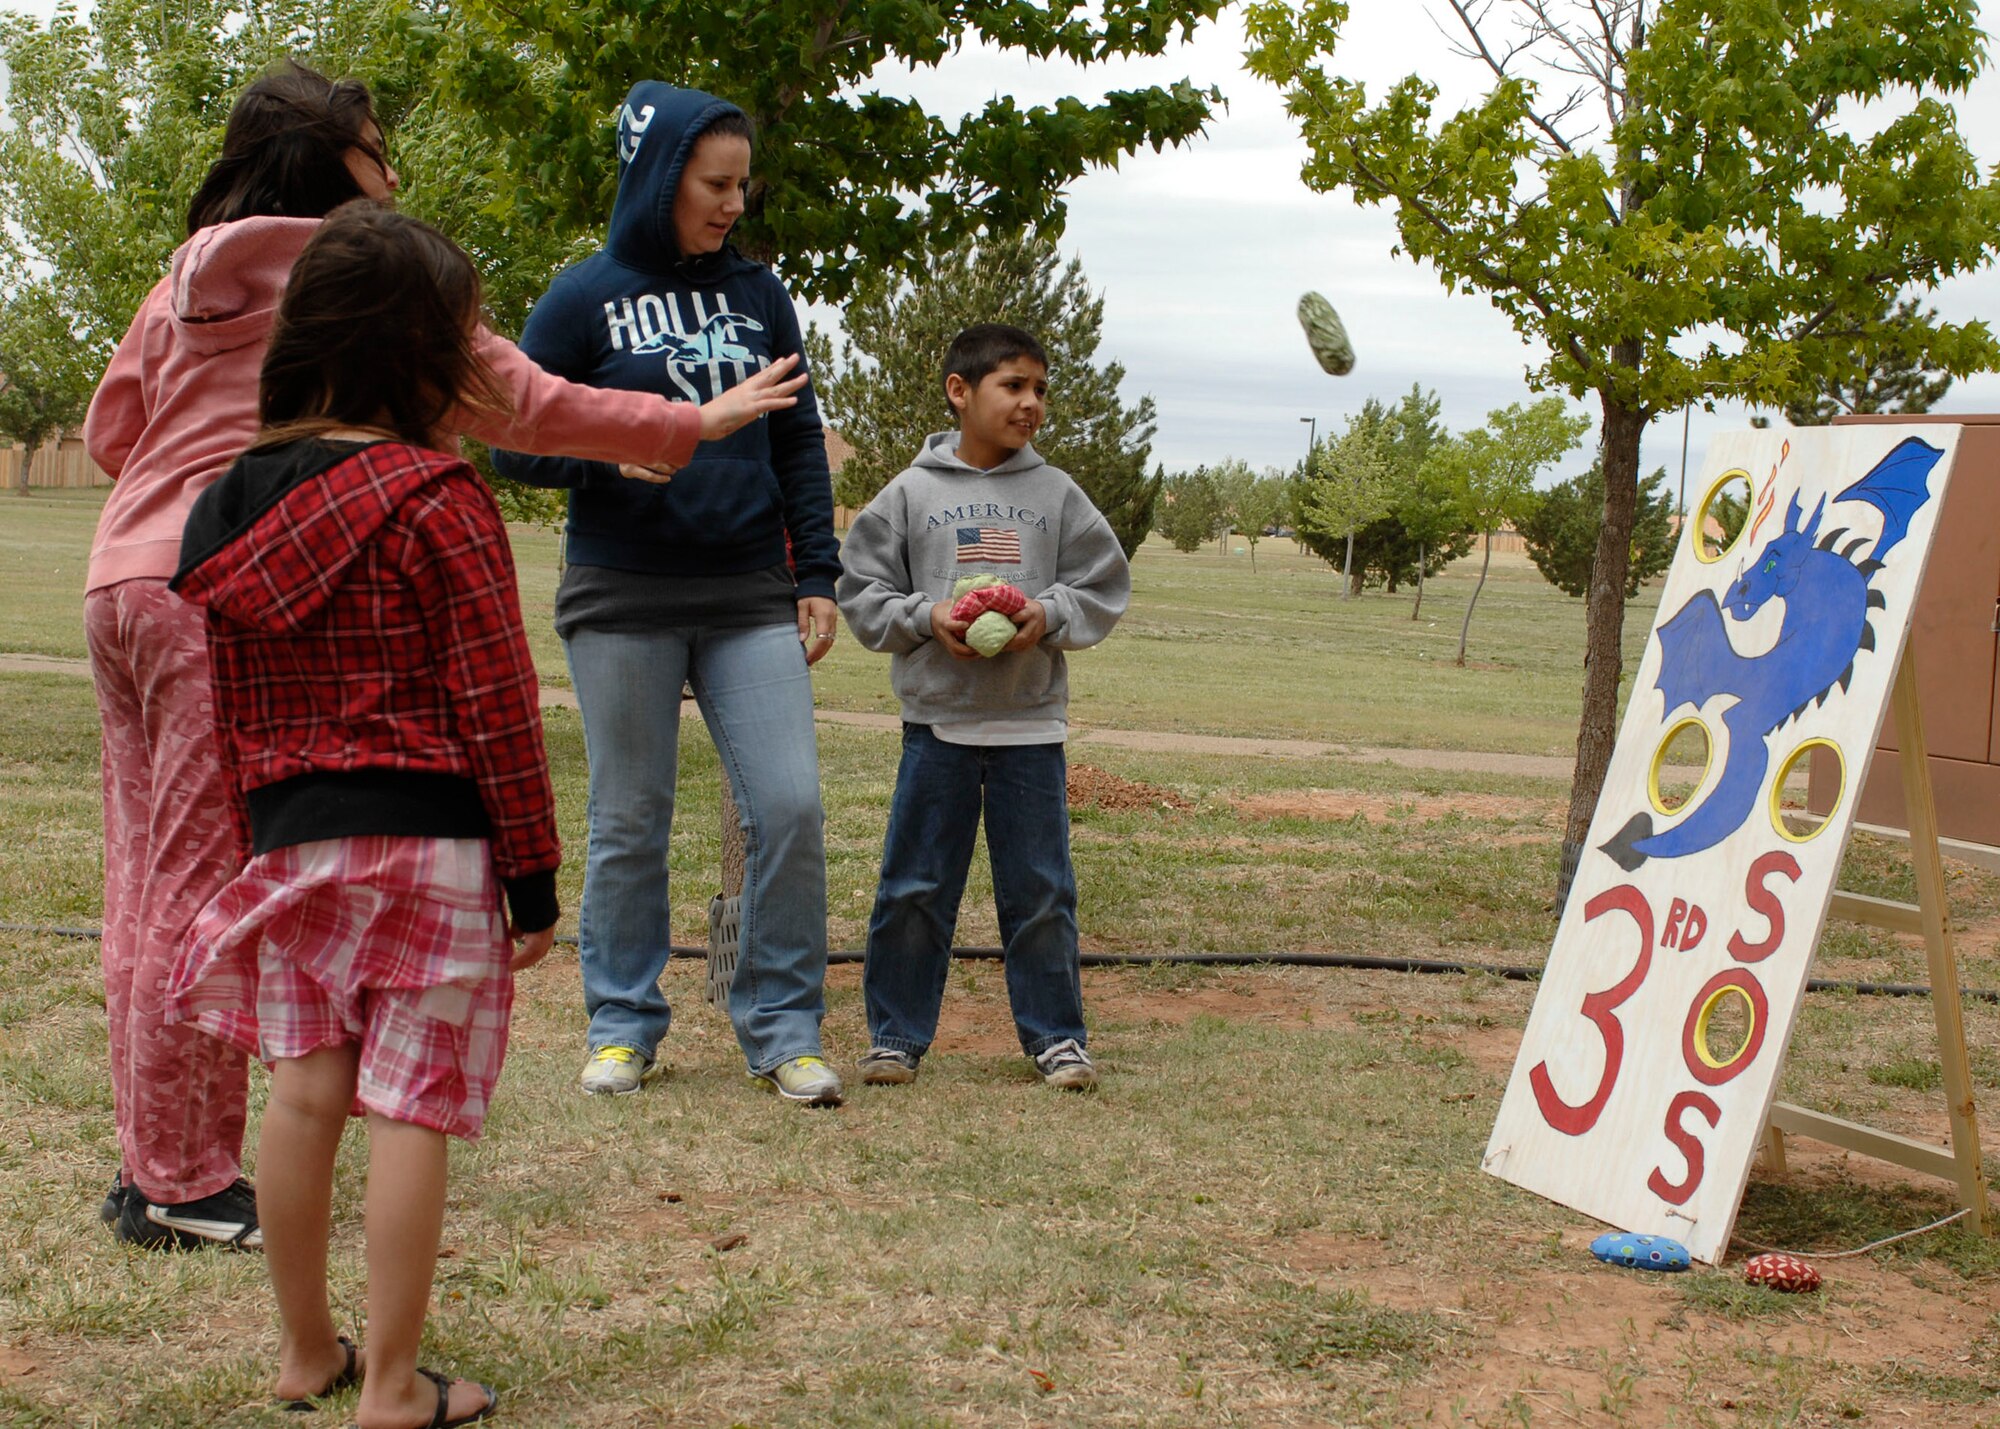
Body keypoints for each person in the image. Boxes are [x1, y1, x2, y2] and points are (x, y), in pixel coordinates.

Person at [81, 62, 803, 1248]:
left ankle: (153, 1160)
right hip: (228, 580)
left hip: (122, 581)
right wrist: (688, 421)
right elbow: (521, 401)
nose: (394, 170)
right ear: (337, 161)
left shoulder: (185, 274)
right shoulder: (369, 275)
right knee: (201, 887)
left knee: (143, 882)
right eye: (376, 147)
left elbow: (114, 429)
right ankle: (181, 1182)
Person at [167, 202, 560, 1429]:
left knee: (301, 1094)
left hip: (292, 840)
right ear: (411, 350)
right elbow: (495, 700)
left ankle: (303, 1351)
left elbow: (227, 706)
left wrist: (253, 840)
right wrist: (533, 881)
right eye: (465, 339)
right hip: (431, 841)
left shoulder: (225, 505)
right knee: (413, 1105)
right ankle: (392, 1386)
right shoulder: (436, 498)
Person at [492, 83, 843, 1106]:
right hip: (622, 591)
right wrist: (608, 459)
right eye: (715, 182)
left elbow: (794, 442)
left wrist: (814, 571)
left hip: (746, 590)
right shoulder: (580, 296)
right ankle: (621, 1022)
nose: (734, 203)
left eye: (743, 185)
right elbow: (511, 436)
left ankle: (781, 1026)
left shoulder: (760, 296)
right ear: (660, 177)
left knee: (789, 803)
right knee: (630, 814)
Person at [834, 323, 1131, 1090]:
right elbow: (863, 588)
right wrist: (928, 618)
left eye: (1040, 388)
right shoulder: (912, 492)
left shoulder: (1056, 493)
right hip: (938, 725)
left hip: (1031, 725)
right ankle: (895, 1035)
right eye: (1013, 385)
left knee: (1040, 889)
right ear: (959, 391)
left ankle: (1057, 1037)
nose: (1031, 402)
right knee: (914, 886)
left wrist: (1049, 614)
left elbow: (1103, 583)